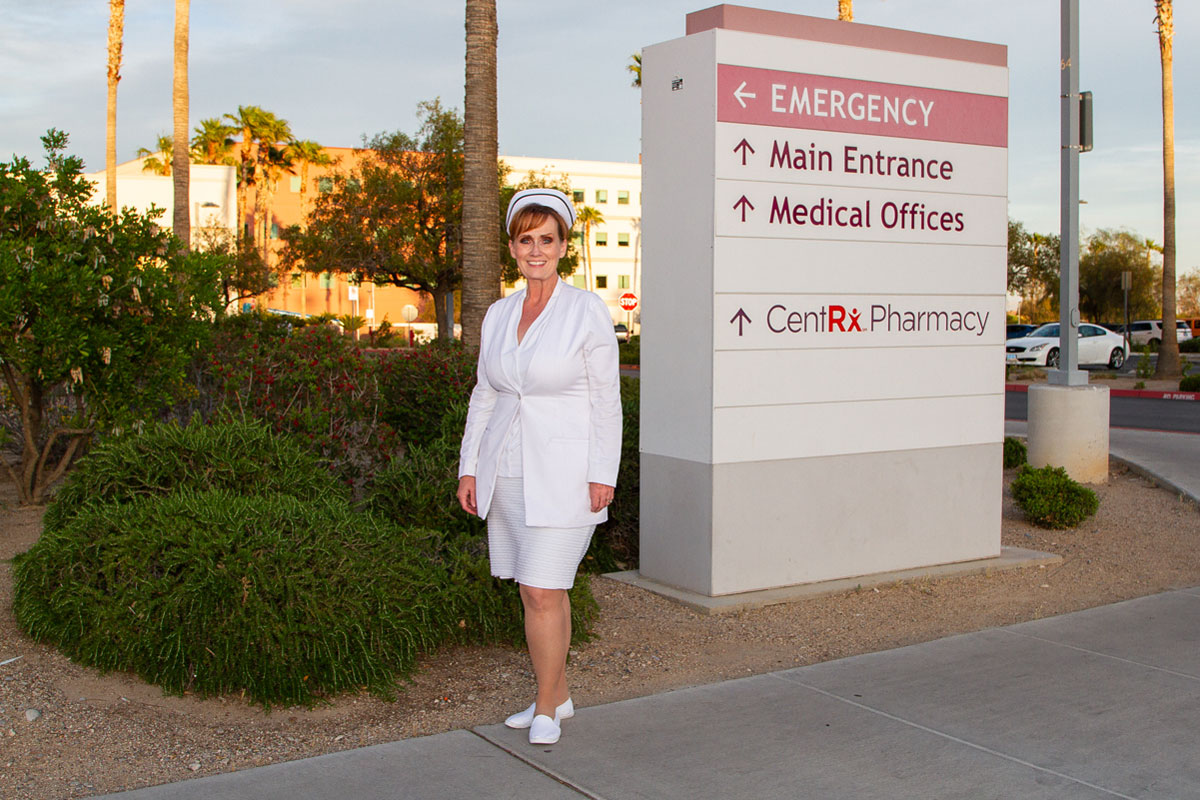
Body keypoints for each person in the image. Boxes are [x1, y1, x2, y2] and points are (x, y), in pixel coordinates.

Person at [457, 188, 622, 746]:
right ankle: (559, 695)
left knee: (543, 587)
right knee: (537, 591)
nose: (536, 250)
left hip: (569, 474)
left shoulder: (586, 310)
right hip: (507, 470)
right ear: (512, 246)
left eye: (546, 240)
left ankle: (546, 705)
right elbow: (486, 394)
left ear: (562, 246)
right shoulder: (500, 314)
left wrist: (605, 472)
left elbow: (606, 398)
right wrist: (469, 468)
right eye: (525, 239)